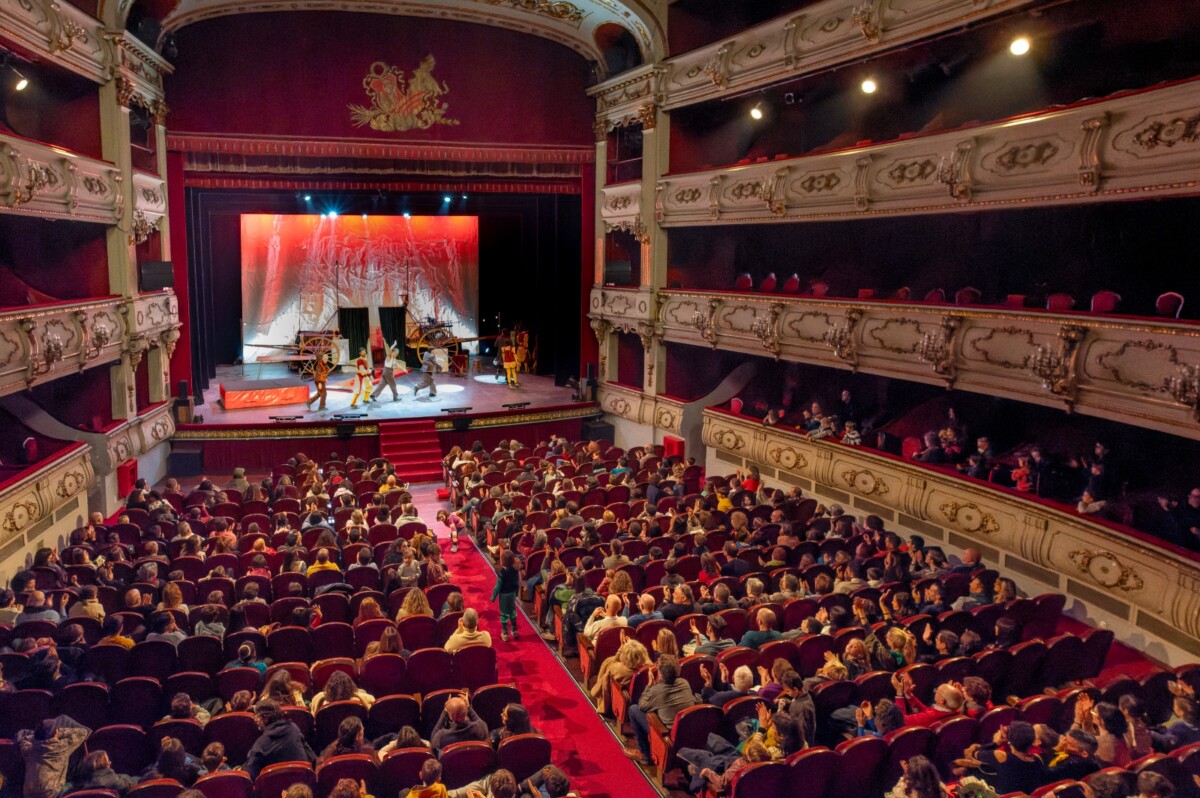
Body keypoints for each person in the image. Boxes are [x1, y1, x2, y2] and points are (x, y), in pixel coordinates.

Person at [625, 656, 696, 764]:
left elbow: (642, 705)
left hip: (666, 738)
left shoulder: (657, 690)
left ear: (661, 674)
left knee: (633, 709)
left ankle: (644, 754)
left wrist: (649, 685)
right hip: (686, 734)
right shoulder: (684, 683)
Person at [17, 716, 91, 798]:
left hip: (29, 794)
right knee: (76, 784)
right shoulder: (60, 747)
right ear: (55, 732)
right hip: (51, 794)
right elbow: (83, 732)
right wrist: (61, 733)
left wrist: (37, 737)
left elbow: (24, 739)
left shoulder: (28, 749)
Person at [242, 699, 316, 781]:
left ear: (265, 718)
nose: (255, 720)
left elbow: (248, 775)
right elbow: (312, 758)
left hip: (276, 789)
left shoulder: (261, 743)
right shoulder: (294, 728)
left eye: (257, 716)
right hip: (303, 783)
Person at [491, 550, 521, 641]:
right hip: (512, 595)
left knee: (504, 614)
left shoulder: (501, 573)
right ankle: (515, 631)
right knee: (512, 612)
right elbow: (517, 583)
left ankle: (505, 633)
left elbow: (498, 586)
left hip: (503, 596)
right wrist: (516, 593)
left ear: (502, 560)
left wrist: (493, 596)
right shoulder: (515, 571)